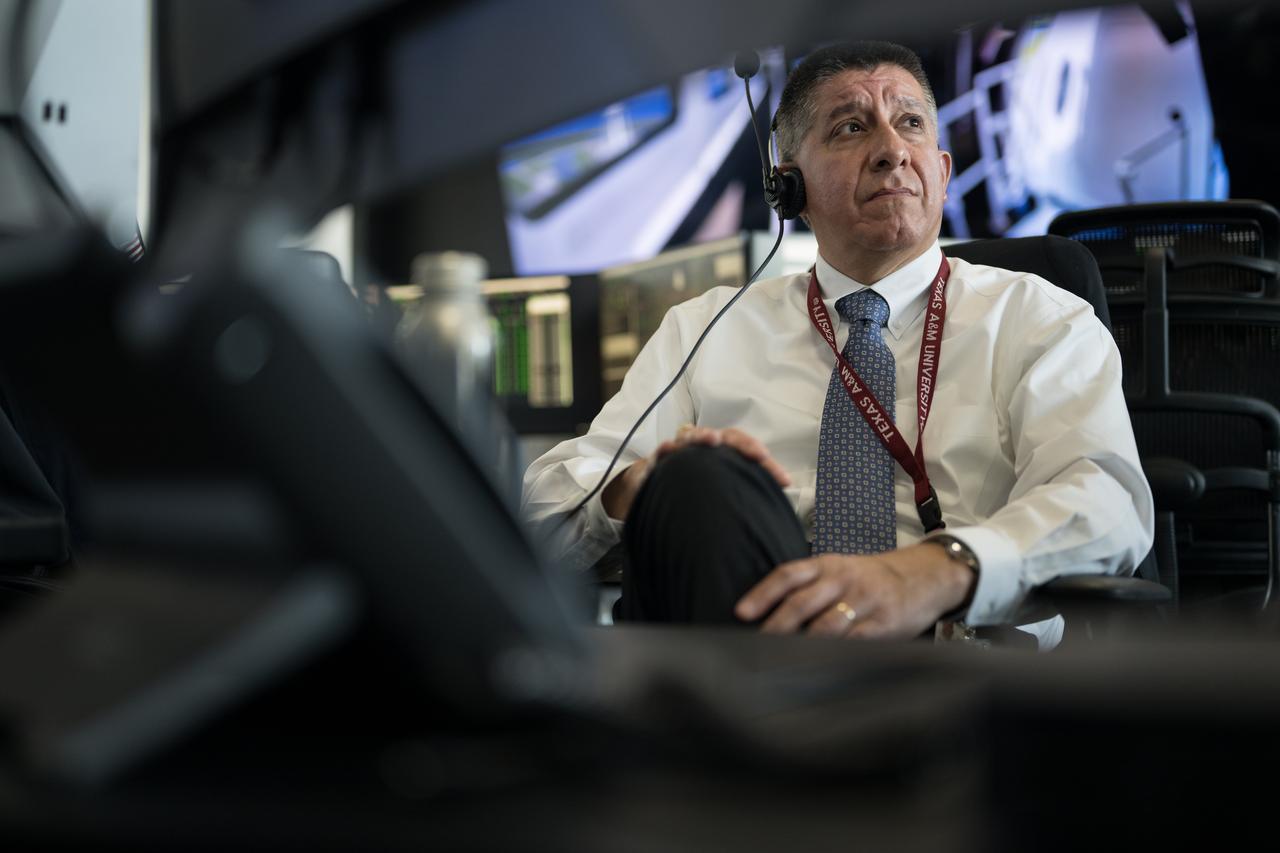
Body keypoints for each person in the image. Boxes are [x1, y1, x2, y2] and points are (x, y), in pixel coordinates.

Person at [521, 41, 1153, 649]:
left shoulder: (1039, 318)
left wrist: (938, 570)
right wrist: (637, 489)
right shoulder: (707, 328)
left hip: (962, 661)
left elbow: (1107, 501)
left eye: (910, 123)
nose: (890, 151)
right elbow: (542, 509)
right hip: (747, 645)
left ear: (942, 168)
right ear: (787, 187)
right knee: (697, 479)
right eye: (851, 128)